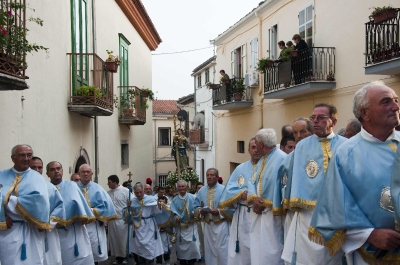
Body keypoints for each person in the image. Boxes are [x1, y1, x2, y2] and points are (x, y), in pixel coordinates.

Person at [310, 81, 400, 264]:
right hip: (374, 255)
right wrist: (370, 234)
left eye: (396, 100)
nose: (396, 107)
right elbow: (335, 209)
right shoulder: (345, 154)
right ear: (365, 113)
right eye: (386, 102)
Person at [281, 103, 347, 265]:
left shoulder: (345, 145)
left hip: (337, 213)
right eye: (313, 118)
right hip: (307, 215)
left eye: (321, 118)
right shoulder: (302, 146)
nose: (315, 121)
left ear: (334, 121)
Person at [0, 144, 52, 265]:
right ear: (13, 158)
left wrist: (10, 200)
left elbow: (39, 200)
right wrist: (2, 217)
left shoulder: (37, 178)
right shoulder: (1, 175)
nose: (26, 158)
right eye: (22, 155)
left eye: (29, 155)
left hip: (31, 230)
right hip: (8, 230)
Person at [246, 129, 287, 265]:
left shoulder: (281, 158)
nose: (256, 147)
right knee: (258, 249)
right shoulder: (262, 160)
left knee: (272, 249)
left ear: (261, 144)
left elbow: (283, 185)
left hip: (272, 214)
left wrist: (264, 202)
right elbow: (252, 181)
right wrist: (253, 198)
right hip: (258, 213)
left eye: (256, 143)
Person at [219, 137, 262, 265]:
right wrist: (240, 194)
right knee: (243, 250)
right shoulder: (240, 169)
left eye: (258, 146)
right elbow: (228, 191)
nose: (256, 150)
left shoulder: (268, 166)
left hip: (261, 214)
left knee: (260, 247)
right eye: (253, 147)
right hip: (243, 215)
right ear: (248, 150)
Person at [46, 161, 95, 265]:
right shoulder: (46, 188)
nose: (56, 171)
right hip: (54, 232)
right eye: (52, 169)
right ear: (47, 173)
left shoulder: (72, 186)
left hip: (74, 230)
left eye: (58, 168)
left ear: (62, 171)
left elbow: (81, 206)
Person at [77, 164, 118, 264]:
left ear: (91, 174)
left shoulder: (98, 188)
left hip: (93, 225)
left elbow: (107, 207)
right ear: (79, 174)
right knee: (80, 252)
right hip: (77, 225)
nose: (85, 174)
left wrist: (93, 210)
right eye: (83, 172)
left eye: (88, 172)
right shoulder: (73, 187)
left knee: (93, 250)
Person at [194, 168, 232, 265]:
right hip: (208, 225)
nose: (209, 177)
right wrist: (200, 211)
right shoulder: (201, 191)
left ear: (217, 177)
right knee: (209, 251)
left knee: (222, 250)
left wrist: (218, 211)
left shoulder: (224, 190)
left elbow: (231, 207)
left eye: (212, 175)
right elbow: (195, 206)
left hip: (221, 225)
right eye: (207, 175)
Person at [30, 157, 64, 265]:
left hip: (47, 231)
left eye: (39, 167)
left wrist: (47, 224)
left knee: (50, 259)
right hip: (27, 230)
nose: (37, 170)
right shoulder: (18, 186)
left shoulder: (50, 187)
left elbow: (59, 207)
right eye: (33, 167)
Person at [125, 182, 164, 265]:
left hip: (149, 226)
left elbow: (155, 211)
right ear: (134, 193)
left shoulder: (151, 199)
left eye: (140, 192)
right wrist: (128, 208)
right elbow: (129, 214)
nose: (139, 194)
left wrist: (159, 207)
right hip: (138, 227)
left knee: (150, 247)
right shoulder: (132, 201)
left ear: (143, 191)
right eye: (137, 193)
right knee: (139, 248)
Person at [171, 180, 201, 265]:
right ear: (177, 188)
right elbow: (173, 212)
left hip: (191, 226)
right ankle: (182, 261)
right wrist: (176, 217)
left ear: (187, 187)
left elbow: (198, 208)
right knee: (181, 247)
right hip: (180, 227)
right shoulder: (175, 200)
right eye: (179, 187)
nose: (181, 189)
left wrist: (195, 212)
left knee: (193, 245)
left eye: (183, 186)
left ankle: (192, 261)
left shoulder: (193, 197)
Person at [107, 175, 131, 265]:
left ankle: (125, 256)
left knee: (123, 239)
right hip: (112, 220)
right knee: (114, 239)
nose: (108, 184)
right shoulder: (108, 193)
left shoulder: (125, 191)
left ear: (114, 182)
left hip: (122, 220)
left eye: (109, 182)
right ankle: (118, 257)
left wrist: (129, 205)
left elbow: (132, 202)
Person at [154, 195, 173, 265]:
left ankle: (167, 259)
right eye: (160, 202)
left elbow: (171, 220)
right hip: (157, 231)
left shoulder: (169, 210)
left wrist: (166, 225)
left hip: (166, 230)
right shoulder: (155, 210)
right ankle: (158, 261)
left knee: (166, 246)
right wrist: (159, 226)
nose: (161, 204)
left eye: (163, 203)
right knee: (157, 247)